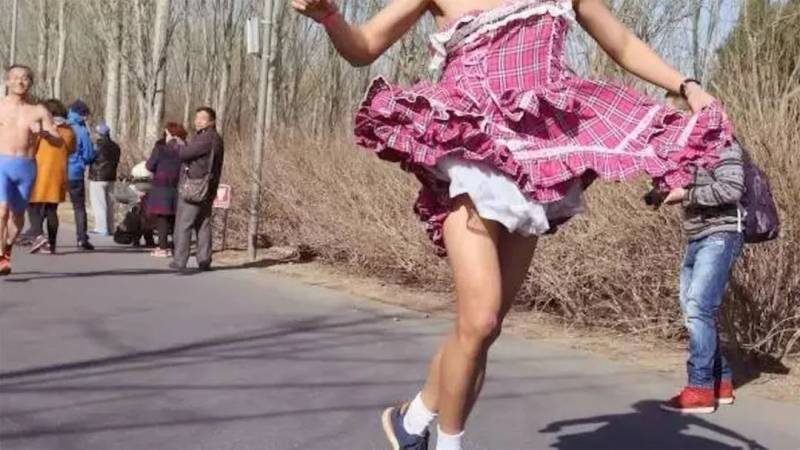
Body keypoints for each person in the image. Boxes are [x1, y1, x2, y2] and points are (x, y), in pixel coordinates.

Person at [292, 1, 734, 449]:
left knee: (483, 329)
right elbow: (364, 47)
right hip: (470, 147)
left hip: (532, 157)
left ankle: (414, 418)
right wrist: (330, 17)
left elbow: (619, 41)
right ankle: (448, 442)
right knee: (480, 318)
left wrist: (687, 86)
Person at [655, 93, 745, 415]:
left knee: (698, 308)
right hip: (697, 236)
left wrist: (685, 194)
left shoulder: (723, 143)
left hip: (722, 233)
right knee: (694, 311)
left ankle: (700, 389)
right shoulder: (685, 151)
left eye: (673, 117)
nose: (668, 123)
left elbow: (731, 189)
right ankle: (721, 383)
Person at [0, 65, 62, 275]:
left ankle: (7, 249)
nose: (20, 82)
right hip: (1, 163)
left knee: (17, 217)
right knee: (2, 211)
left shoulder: (39, 111)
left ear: (31, 82)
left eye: (25, 78)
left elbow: (58, 141)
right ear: (7, 81)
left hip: (26, 167)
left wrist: (44, 133)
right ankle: (0, 255)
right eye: (15, 78)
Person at [170, 107, 224, 272]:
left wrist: (174, 144)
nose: (198, 121)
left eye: (202, 118)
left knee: (184, 224)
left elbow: (184, 154)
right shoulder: (215, 138)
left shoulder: (206, 138)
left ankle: (180, 260)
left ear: (211, 121)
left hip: (195, 188)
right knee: (203, 224)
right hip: (208, 187)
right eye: (196, 118)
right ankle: (204, 259)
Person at [28, 99, 76, 255]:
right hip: (59, 174)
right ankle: (52, 244)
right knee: (51, 210)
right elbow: (72, 150)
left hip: (40, 172)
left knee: (33, 206)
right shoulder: (69, 131)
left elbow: (32, 148)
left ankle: (38, 235)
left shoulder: (43, 130)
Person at [145, 122, 186, 257]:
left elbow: (150, 165)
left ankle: (162, 248)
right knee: (175, 217)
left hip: (162, 185)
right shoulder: (186, 147)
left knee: (162, 217)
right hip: (179, 185)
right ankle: (175, 247)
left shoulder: (161, 147)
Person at [67, 100, 96, 251]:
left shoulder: (61, 126)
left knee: (50, 206)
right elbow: (89, 154)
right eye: (85, 115)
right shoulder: (81, 131)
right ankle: (82, 238)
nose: (87, 118)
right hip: (75, 172)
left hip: (57, 171)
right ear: (81, 114)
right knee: (79, 207)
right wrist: (85, 160)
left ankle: (39, 235)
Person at [88, 122, 121, 236]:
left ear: (99, 134)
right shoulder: (116, 146)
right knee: (109, 204)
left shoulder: (97, 146)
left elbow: (90, 157)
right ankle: (111, 228)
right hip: (111, 177)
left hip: (98, 177)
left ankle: (101, 228)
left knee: (99, 203)